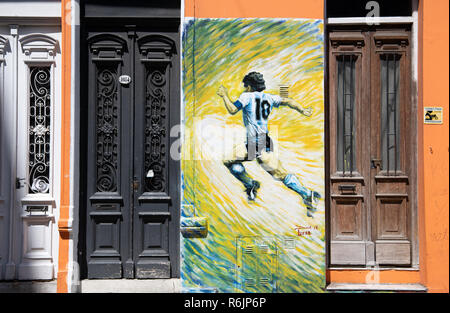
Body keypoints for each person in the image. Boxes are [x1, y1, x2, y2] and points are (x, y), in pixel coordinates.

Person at [217, 71, 321, 217]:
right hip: (260, 141)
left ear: (249, 87)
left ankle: (306, 194)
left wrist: (224, 96)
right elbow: (288, 101)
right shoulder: (269, 98)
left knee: (278, 173)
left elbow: (233, 109)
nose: (244, 88)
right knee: (231, 160)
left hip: (256, 143)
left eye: (245, 86)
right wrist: (302, 109)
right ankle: (253, 185)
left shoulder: (247, 96)